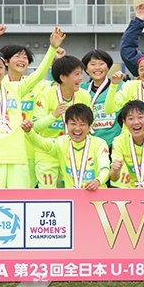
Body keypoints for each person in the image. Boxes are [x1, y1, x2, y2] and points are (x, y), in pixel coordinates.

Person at [0, 24, 65, 189]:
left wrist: (52, 49)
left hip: (18, 157)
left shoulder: (15, 89)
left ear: (4, 69)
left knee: (20, 205)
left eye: (0, 67)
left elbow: (38, 75)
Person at [32, 56, 92, 188]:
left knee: (74, 189)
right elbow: (35, 126)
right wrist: (54, 115)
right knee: (46, 193)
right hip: (47, 149)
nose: (81, 78)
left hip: (72, 150)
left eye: (81, 74)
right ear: (63, 77)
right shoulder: (46, 95)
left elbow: (89, 125)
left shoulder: (84, 96)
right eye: (76, 74)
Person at [23, 104, 110, 190]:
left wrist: (98, 181)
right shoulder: (61, 143)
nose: (77, 128)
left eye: (82, 124)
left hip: (97, 198)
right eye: (73, 124)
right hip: (72, 198)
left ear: (89, 126)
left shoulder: (99, 144)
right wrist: (29, 132)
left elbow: (105, 169)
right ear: (66, 124)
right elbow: (41, 143)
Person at [109, 100, 144, 188]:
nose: (136, 122)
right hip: (134, 194)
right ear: (124, 122)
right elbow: (114, 178)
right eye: (130, 119)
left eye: (140, 117)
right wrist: (115, 170)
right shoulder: (119, 142)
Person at [80, 50, 122, 152]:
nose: (97, 68)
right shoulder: (81, 89)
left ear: (108, 67)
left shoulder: (120, 86)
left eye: (102, 64)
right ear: (86, 69)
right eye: (93, 64)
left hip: (115, 144)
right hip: (89, 144)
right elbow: (60, 87)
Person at [106, 54, 144, 125]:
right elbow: (109, 109)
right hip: (130, 135)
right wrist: (113, 86)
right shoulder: (130, 86)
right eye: (141, 69)